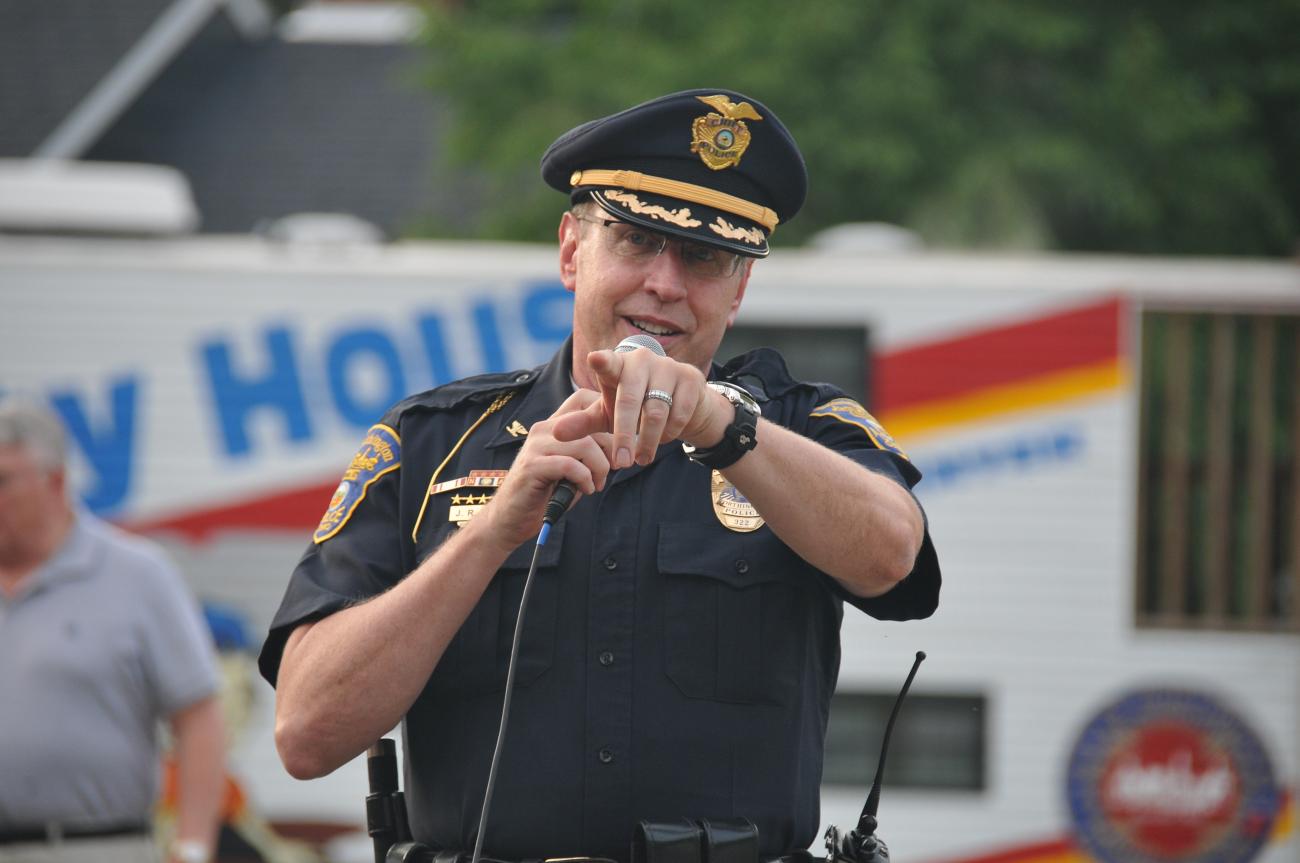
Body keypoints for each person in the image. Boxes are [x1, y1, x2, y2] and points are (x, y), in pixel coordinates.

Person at [259, 88, 941, 862]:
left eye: (706, 258)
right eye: (635, 240)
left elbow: (894, 557)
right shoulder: (435, 441)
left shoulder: (797, 429)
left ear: (741, 286)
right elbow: (307, 731)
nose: (666, 283)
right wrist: (491, 533)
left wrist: (723, 425)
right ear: (570, 251)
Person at [0, 400, 225, 863]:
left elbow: (198, 715)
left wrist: (193, 845)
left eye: (3, 481)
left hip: (96, 846)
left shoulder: (136, 574)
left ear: (55, 481)